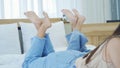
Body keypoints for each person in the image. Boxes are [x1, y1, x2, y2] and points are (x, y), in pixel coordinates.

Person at [22, 9, 120, 68]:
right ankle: (42, 27)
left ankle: (75, 24)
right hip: (72, 62)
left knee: (49, 56)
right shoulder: (115, 42)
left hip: (76, 58)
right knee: (28, 63)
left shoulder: (114, 41)